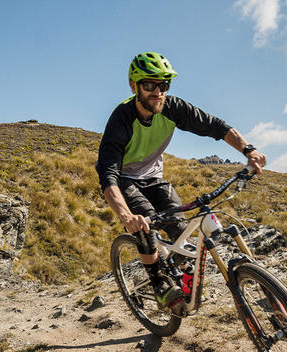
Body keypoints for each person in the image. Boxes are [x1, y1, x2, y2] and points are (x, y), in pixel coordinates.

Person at [95, 52, 267, 309]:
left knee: (178, 228)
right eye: (150, 85)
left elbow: (215, 127)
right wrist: (126, 216)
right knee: (146, 223)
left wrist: (248, 150)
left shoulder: (172, 107)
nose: (158, 92)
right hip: (123, 179)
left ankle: (182, 274)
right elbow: (107, 174)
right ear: (134, 86)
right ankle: (158, 283)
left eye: (163, 85)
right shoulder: (121, 119)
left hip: (153, 176)